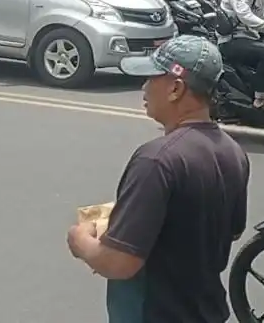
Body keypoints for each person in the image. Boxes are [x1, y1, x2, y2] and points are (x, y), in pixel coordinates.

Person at [67, 36, 249, 323]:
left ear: (176, 88)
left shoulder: (156, 160)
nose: (144, 87)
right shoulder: (233, 152)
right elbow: (232, 230)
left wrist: (81, 242)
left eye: (151, 78)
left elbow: (120, 263)